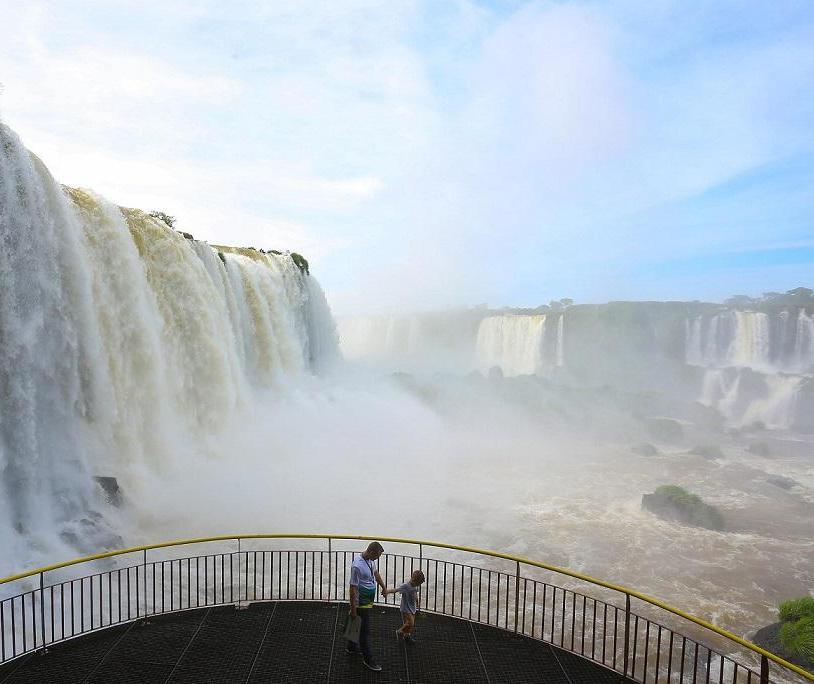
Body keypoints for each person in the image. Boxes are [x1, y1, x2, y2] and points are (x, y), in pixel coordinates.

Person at [347, 541, 386, 671]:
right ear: (370, 552)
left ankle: (351, 647)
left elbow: (376, 573)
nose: (377, 559)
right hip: (361, 602)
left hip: (367, 601)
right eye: (376, 556)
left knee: (356, 623)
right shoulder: (357, 566)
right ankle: (368, 659)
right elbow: (352, 589)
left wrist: (383, 587)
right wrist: (353, 609)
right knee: (365, 631)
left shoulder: (370, 560)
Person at [384, 569, 425, 640]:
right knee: (410, 623)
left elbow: (415, 593)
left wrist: (417, 602)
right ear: (414, 580)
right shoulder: (406, 586)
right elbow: (396, 590)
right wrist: (387, 591)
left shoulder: (415, 586)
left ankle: (407, 636)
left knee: (408, 624)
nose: (418, 585)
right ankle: (399, 632)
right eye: (418, 583)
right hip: (405, 608)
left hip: (412, 607)